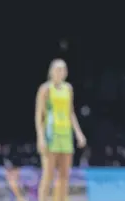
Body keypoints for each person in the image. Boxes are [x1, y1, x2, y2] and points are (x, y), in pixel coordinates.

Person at [35, 59, 86, 201]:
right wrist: (40, 138)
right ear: (51, 72)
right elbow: (39, 116)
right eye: (57, 69)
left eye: (63, 69)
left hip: (66, 135)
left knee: (64, 176)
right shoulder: (45, 89)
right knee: (48, 175)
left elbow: (71, 113)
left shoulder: (68, 88)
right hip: (51, 135)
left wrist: (79, 133)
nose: (60, 72)